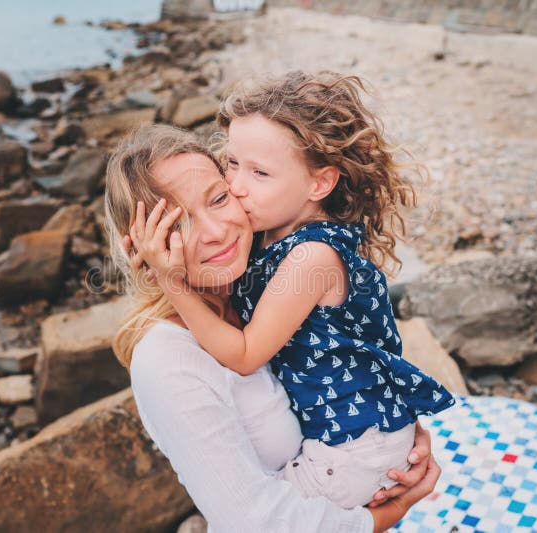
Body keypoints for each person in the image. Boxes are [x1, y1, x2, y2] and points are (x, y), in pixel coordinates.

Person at [129, 71, 454, 509]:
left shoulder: (310, 257)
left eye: (260, 172)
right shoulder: (271, 238)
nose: (237, 187)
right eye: (232, 164)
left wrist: (171, 282)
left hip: (354, 447)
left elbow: (245, 355)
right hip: (350, 436)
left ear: (319, 183)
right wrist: (159, 264)